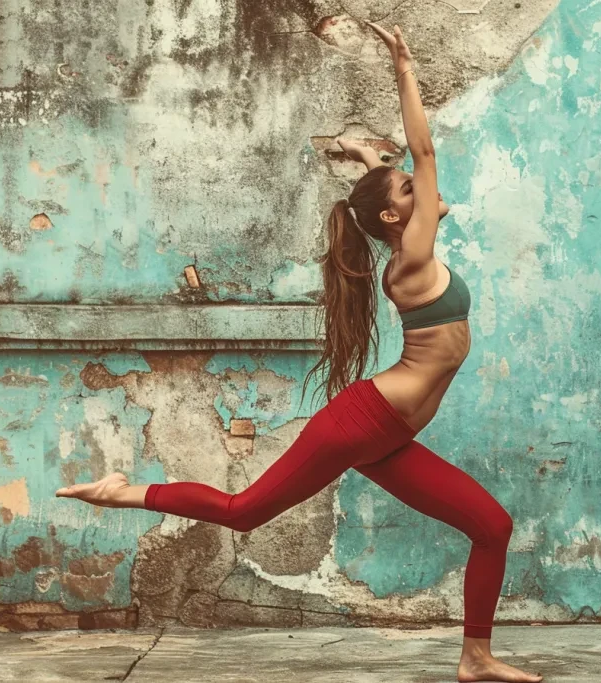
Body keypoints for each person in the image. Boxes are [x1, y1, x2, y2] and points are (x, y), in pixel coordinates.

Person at [57, 22, 542, 683]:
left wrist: (370, 164)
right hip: (363, 424)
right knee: (244, 510)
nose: (423, 192)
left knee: (491, 525)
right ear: (400, 221)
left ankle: (476, 657)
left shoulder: (406, 242)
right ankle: (124, 491)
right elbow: (424, 155)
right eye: (409, 193)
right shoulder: (410, 262)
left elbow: (396, 187)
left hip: (390, 437)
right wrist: (403, 66)